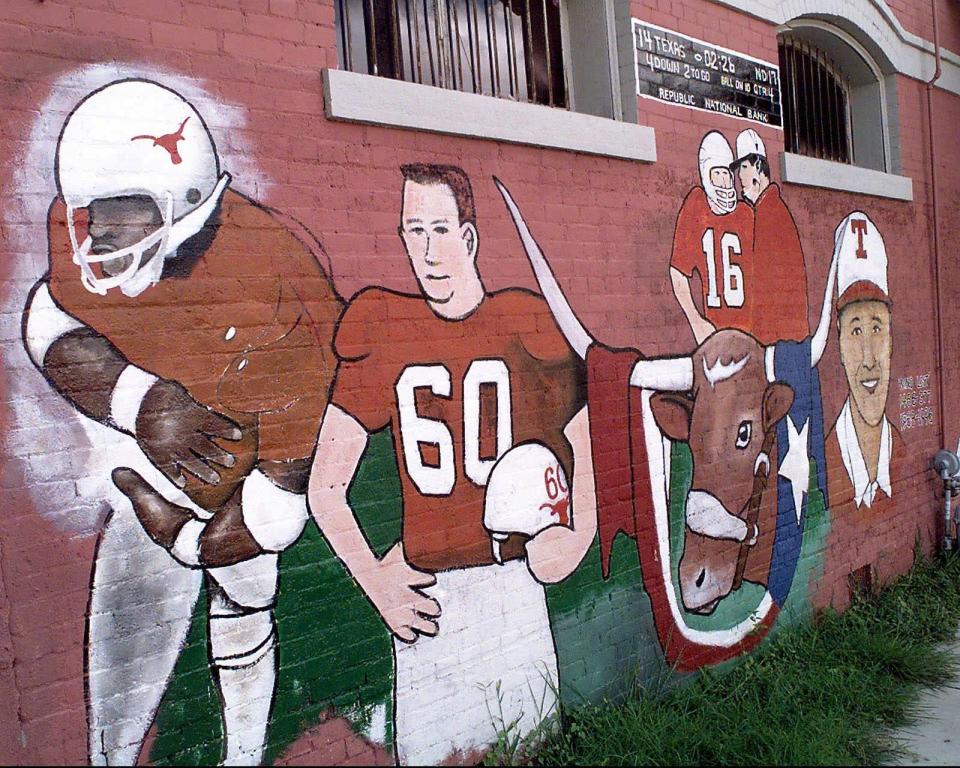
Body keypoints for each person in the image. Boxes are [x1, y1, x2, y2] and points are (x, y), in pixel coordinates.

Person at [21, 79, 341, 765]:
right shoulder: (79, 224)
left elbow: (278, 509)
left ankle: (243, 753)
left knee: (249, 585)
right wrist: (144, 404)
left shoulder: (285, 294)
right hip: (152, 456)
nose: (95, 237)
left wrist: (187, 539)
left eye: (119, 216)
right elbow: (47, 324)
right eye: (91, 215)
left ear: (187, 199)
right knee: (129, 598)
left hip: (248, 472)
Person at [307, 164, 594, 765]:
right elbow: (326, 486)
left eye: (440, 229)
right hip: (428, 599)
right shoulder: (383, 328)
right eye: (414, 231)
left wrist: (578, 531)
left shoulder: (522, 322)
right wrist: (375, 579)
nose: (428, 249)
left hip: (514, 584)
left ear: (469, 237)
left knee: (531, 750)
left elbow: (586, 435)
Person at [821, 212, 906, 606]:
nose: (869, 358)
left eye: (877, 327)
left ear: (892, 339)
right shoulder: (820, 466)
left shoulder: (905, 456)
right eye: (855, 330)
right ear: (837, 343)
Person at [670, 131, 756, 344]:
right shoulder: (696, 207)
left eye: (727, 173)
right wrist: (696, 321)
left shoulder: (746, 214)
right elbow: (678, 271)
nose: (724, 180)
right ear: (705, 174)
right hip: (715, 331)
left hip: (750, 329)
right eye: (716, 173)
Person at [732, 128, 809, 343]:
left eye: (744, 168)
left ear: (758, 168)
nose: (740, 177)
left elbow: (765, 285)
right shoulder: (767, 209)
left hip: (779, 341)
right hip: (785, 338)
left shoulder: (770, 214)